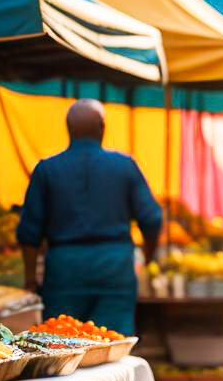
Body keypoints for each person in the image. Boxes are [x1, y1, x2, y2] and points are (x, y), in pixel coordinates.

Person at [16, 99, 162, 337]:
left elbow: (29, 232)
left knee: (60, 344)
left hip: (64, 269)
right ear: (102, 127)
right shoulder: (124, 167)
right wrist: (148, 258)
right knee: (114, 344)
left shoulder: (47, 170)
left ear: (67, 128)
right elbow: (152, 219)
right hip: (114, 267)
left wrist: (30, 279)